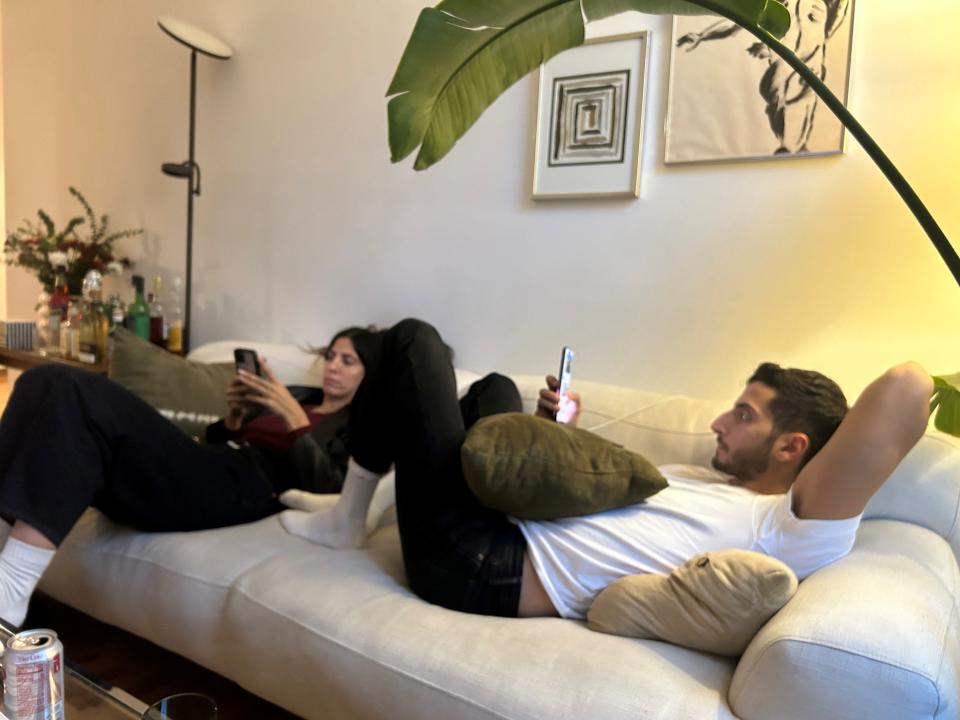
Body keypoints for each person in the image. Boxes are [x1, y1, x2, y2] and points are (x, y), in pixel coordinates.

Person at [281, 318, 932, 620]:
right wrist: (555, 436)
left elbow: (906, 386)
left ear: (792, 447)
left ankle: (348, 514)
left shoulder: (791, 527)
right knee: (495, 390)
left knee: (413, 343)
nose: (717, 424)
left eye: (742, 416)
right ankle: (354, 504)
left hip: (479, 564)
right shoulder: (703, 481)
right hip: (495, 521)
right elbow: (591, 502)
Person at [0, 325, 376, 627]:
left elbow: (332, 489)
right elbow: (218, 440)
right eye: (331, 356)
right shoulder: (301, 394)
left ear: (369, 373)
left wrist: (294, 418)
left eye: (348, 360)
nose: (334, 366)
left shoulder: (358, 428)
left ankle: (10, 590)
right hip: (208, 462)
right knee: (42, 378)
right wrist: (234, 418)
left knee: (76, 390)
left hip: (246, 486)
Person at [676, 0, 852, 154]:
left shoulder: (821, 8)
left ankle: (792, 150)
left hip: (805, 77)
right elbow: (734, 25)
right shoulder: (777, 6)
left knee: (792, 137)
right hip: (778, 77)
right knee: (784, 127)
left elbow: (833, 18)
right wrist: (701, 36)